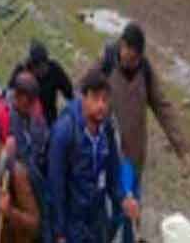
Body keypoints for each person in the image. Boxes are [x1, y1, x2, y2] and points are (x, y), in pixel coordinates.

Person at [97, 23, 188, 243]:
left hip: (134, 156)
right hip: (110, 154)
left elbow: (162, 106)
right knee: (120, 210)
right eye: (131, 57)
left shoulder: (144, 70)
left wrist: (181, 147)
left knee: (132, 207)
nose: (133, 63)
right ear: (122, 46)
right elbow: (85, 93)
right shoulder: (106, 64)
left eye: (137, 59)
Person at [47, 68, 137, 243]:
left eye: (105, 99)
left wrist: (124, 199)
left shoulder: (106, 130)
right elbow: (55, 186)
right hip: (73, 222)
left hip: (96, 218)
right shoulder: (64, 133)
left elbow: (113, 173)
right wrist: (59, 233)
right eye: (95, 98)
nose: (101, 106)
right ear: (83, 97)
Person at [8, 42, 73, 126]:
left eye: (44, 66)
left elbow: (70, 94)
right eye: (39, 67)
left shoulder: (55, 70)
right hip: (24, 121)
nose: (42, 70)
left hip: (49, 120)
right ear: (32, 65)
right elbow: (9, 96)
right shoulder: (21, 71)